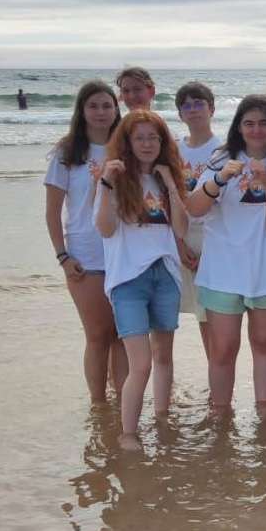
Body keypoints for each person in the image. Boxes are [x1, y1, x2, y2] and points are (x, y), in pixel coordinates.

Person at [186, 96, 266, 417]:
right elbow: (193, 208)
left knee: (264, 343)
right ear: (239, 127)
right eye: (249, 123)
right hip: (223, 268)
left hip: (265, 266)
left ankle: (265, 411)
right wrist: (218, 181)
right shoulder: (221, 159)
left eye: (264, 123)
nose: (257, 130)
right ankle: (220, 413)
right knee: (223, 348)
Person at [93, 110, 188, 451]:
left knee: (164, 355)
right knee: (142, 363)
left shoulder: (166, 179)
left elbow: (180, 229)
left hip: (165, 275)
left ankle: (162, 418)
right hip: (128, 279)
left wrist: (172, 187)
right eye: (140, 138)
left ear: (162, 143)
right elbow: (104, 228)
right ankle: (128, 433)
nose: (147, 144)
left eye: (154, 138)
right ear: (128, 143)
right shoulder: (115, 178)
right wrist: (105, 183)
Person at [44, 80, 128, 402]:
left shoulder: (126, 147)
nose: (101, 112)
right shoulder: (68, 153)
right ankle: (98, 404)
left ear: (116, 108)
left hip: (124, 253)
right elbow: (52, 212)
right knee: (97, 336)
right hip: (85, 256)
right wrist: (63, 257)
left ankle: (124, 404)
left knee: (123, 335)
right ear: (81, 111)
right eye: (93, 106)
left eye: (107, 105)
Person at [174, 82, 222, 361]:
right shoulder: (173, 150)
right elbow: (167, 200)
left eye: (199, 103)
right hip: (184, 238)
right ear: (180, 114)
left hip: (213, 240)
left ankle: (218, 381)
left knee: (214, 317)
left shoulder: (223, 150)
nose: (193, 110)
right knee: (197, 315)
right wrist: (178, 243)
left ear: (211, 109)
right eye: (187, 106)